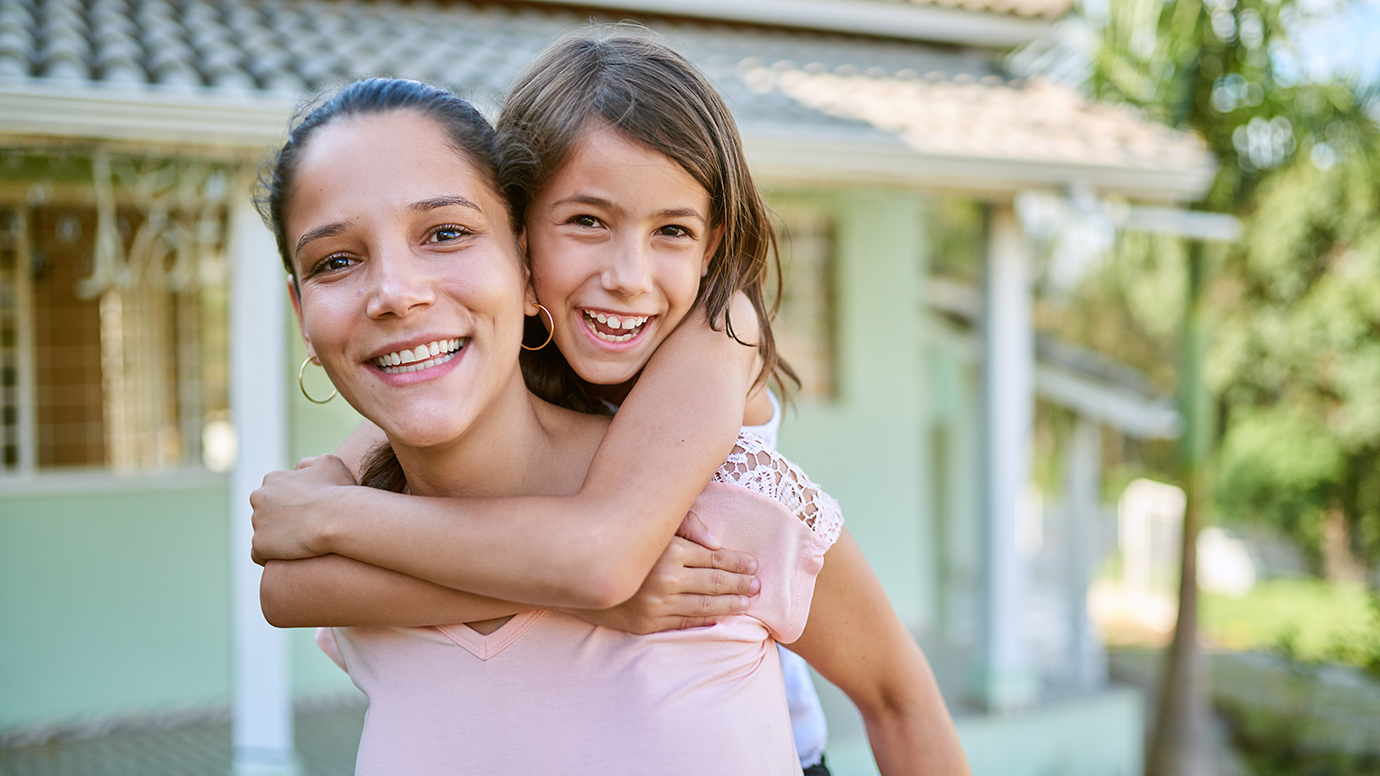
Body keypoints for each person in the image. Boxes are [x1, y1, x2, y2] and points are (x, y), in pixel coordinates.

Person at [254, 33, 969, 776]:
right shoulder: (445, 411)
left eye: (672, 231)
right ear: (525, 246)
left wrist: (330, 517)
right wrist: (573, 590)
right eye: (588, 222)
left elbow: (601, 559)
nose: (628, 276)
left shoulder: (719, 334)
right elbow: (287, 585)